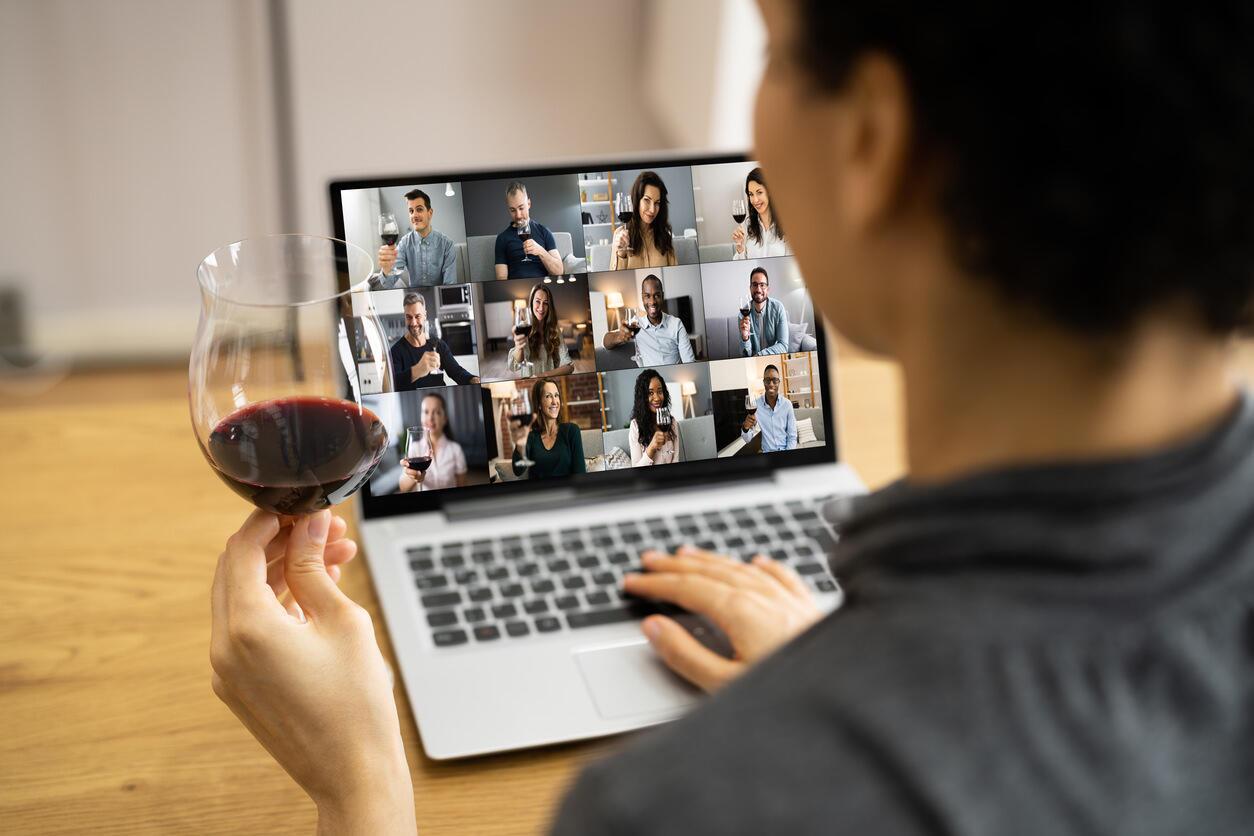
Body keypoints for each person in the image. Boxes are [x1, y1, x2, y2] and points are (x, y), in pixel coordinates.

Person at [209, 5, 1254, 834]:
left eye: (772, 45)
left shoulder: (679, 811)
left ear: (874, 137)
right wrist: (844, 661)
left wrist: (359, 791)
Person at [388, 293, 480, 391]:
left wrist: (472, 379)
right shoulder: (396, 351)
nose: (413, 323)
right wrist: (418, 370)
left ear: (425, 316)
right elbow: (394, 384)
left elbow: (457, 372)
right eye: (409, 317)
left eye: (417, 316)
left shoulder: (438, 345)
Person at [602, 274, 696, 366]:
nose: (652, 302)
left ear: (662, 296)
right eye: (647, 296)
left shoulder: (676, 324)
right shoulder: (636, 324)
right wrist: (619, 336)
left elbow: (690, 362)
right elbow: (605, 342)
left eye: (657, 295)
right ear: (642, 298)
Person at [372, 188, 459, 287]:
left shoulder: (447, 245)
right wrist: (386, 270)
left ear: (430, 213)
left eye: (419, 209)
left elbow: (450, 285)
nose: (414, 215)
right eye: (411, 211)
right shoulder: (404, 243)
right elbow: (388, 283)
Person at [510, 378, 586, 479]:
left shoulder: (571, 431)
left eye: (556, 395)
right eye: (548, 396)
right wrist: (519, 445)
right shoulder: (531, 436)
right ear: (539, 404)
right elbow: (517, 471)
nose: (555, 401)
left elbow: (580, 473)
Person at [398, 392, 468, 492]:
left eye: (437, 412)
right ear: (421, 417)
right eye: (426, 412)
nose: (430, 417)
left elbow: (462, 486)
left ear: (445, 419)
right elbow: (403, 488)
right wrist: (412, 476)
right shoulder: (414, 447)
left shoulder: (456, 449)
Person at [494, 181, 564, 279]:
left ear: (529, 204)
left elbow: (559, 271)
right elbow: (501, 278)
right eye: (513, 210)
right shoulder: (502, 238)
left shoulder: (544, 231)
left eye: (521, 208)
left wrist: (540, 251)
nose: (518, 215)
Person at [611, 170, 679, 270]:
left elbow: (675, 271)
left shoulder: (665, 236)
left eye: (657, 203)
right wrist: (621, 254)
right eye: (647, 200)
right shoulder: (619, 235)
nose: (652, 210)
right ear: (636, 200)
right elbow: (614, 279)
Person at [509, 284, 573, 377]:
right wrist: (519, 347)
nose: (541, 308)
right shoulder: (524, 327)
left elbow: (569, 366)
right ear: (531, 302)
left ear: (549, 306)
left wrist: (543, 375)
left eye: (546, 303)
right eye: (538, 302)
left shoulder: (554, 329)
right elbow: (515, 365)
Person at [628, 369, 685, 467]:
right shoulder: (635, 426)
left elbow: (676, 459)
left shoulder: (672, 422)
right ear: (643, 397)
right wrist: (651, 448)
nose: (657, 398)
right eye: (650, 393)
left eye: (660, 391)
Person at [732, 167, 790, 260]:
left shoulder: (787, 226)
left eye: (759, 192)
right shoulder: (747, 226)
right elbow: (739, 265)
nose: (755, 200)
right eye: (751, 194)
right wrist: (740, 248)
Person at [740, 365, 797, 452]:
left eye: (775, 380)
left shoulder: (787, 405)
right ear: (763, 382)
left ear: (779, 382)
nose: (771, 384)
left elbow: (792, 437)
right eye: (767, 380)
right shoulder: (755, 405)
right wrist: (745, 427)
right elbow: (747, 439)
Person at [739, 265, 789, 356]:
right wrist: (745, 338)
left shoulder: (778, 308)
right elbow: (746, 355)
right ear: (750, 288)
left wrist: (760, 355)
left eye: (762, 285)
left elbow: (783, 346)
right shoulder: (742, 315)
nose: (758, 289)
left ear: (768, 289)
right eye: (754, 285)